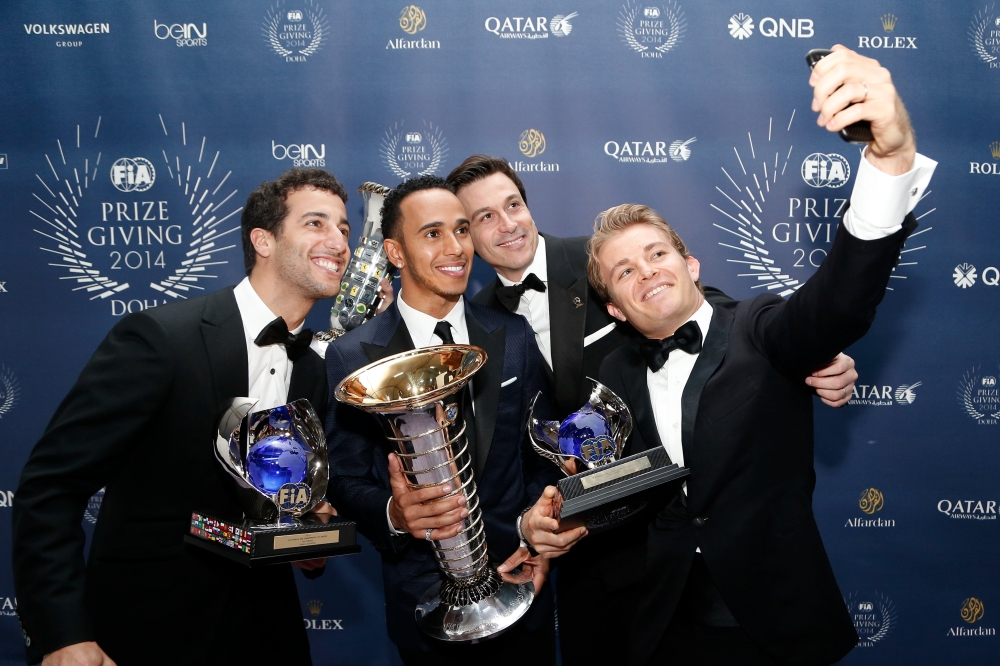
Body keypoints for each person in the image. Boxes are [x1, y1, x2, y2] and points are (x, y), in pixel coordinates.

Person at [580, 46, 935, 665]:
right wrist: (561, 508)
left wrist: (889, 159)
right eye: (625, 271)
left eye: (657, 254)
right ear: (614, 308)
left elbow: (836, 306)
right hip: (664, 622)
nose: (647, 272)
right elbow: (616, 480)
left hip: (771, 622)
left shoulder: (761, 328)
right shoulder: (612, 372)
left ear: (691, 264)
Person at [445, 156, 860, 663]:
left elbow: (697, 310)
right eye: (485, 216)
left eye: (513, 205)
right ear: (466, 234)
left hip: (671, 539)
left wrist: (803, 352)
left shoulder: (602, 257)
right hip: (588, 539)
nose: (507, 224)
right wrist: (538, 522)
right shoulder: (478, 320)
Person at [12, 168, 353, 666]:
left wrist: (305, 538)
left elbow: (275, 500)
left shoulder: (315, 370)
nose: (339, 243)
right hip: (145, 630)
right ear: (263, 240)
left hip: (266, 633)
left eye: (344, 228)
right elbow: (50, 487)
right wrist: (62, 634)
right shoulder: (161, 338)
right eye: (316, 223)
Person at [324, 175, 566, 665]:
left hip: (520, 584)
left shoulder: (513, 334)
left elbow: (542, 453)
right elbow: (344, 478)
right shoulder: (352, 355)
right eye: (432, 233)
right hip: (424, 607)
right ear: (395, 252)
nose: (456, 247)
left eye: (461, 229)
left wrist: (539, 540)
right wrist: (394, 514)